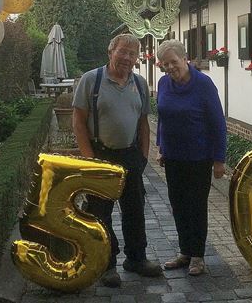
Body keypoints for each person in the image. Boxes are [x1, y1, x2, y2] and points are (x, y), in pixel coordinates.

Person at [72, 33, 163, 287]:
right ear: (110, 51)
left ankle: (136, 258)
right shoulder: (92, 80)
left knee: (135, 210)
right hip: (101, 155)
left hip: (131, 154)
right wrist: (90, 160)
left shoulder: (140, 83)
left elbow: (144, 123)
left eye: (133, 54)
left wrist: (143, 156)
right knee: (100, 212)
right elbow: (78, 122)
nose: (127, 57)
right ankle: (106, 263)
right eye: (123, 51)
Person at [156, 39, 227, 276]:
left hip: (199, 157)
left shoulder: (204, 84)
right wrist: (161, 146)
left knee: (196, 206)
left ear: (185, 58)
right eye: (165, 64)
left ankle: (198, 256)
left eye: (173, 62)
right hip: (173, 157)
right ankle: (185, 252)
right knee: (178, 205)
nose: (169, 68)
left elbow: (218, 123)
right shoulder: (164, 83)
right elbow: (162, 118)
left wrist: (219, 159)